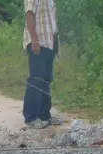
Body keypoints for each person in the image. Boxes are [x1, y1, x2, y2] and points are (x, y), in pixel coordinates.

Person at [22, 0, 62, 129]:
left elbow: (52, 21)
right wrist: (34, 40)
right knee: (36, 80)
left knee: (46, 80)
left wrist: (56, 45)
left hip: (50, 43)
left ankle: (45, 115)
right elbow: (29, 15)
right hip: (39, 42)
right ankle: (31, 118)